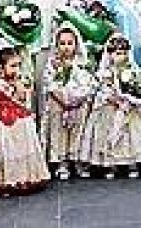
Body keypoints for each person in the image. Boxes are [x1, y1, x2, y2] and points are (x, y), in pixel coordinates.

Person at [79, 34, 141, 178]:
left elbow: (138, 87)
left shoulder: (132, 71)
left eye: (124, 53)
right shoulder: (105, 73)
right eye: (117, 53)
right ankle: (110, 164)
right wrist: (111, 98)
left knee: (133, 128)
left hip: (128, 105)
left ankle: (132, 162)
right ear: (109, 54)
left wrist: (134, 95)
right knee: (107, 127)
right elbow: (101, 90)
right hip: (111, 104)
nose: (121, 57)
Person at [0, 45, 50, 194]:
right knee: (5, 147)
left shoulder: (19, 81)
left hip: (20, 118)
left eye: (18, 65)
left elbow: (22, 98)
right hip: (2, 122)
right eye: (13, 66)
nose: (16, 69)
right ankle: (5, 181)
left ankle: (24, 177)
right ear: (1, 67)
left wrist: (19, 85)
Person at [41, 24, 96, 180]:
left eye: (70, 43)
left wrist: (77, 97)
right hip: (59, 103)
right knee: (59, 130)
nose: (66, 47)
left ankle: (78, 160)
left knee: (79, 129)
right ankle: (62, 162)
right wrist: (62, 97)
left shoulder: (82, 63)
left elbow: (89, 83)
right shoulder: (53, 64)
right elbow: (49, 83)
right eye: (62, 43)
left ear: (76, 44)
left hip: (78, 103)